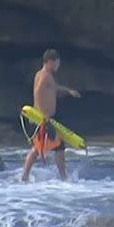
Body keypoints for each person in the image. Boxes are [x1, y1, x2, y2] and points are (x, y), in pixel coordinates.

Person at [21, 49, 80, 181]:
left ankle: (62, 176)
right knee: (40, 148)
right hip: (43, 118)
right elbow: (38, 92)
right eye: (57, 63)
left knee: (56, 147)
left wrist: (68, 90)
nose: (58, 66)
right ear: (50, 62)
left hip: (46, 118)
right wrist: (42, 115)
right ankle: (25, 177)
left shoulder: (44, 75)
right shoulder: (44, 76)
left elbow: (53, 87)